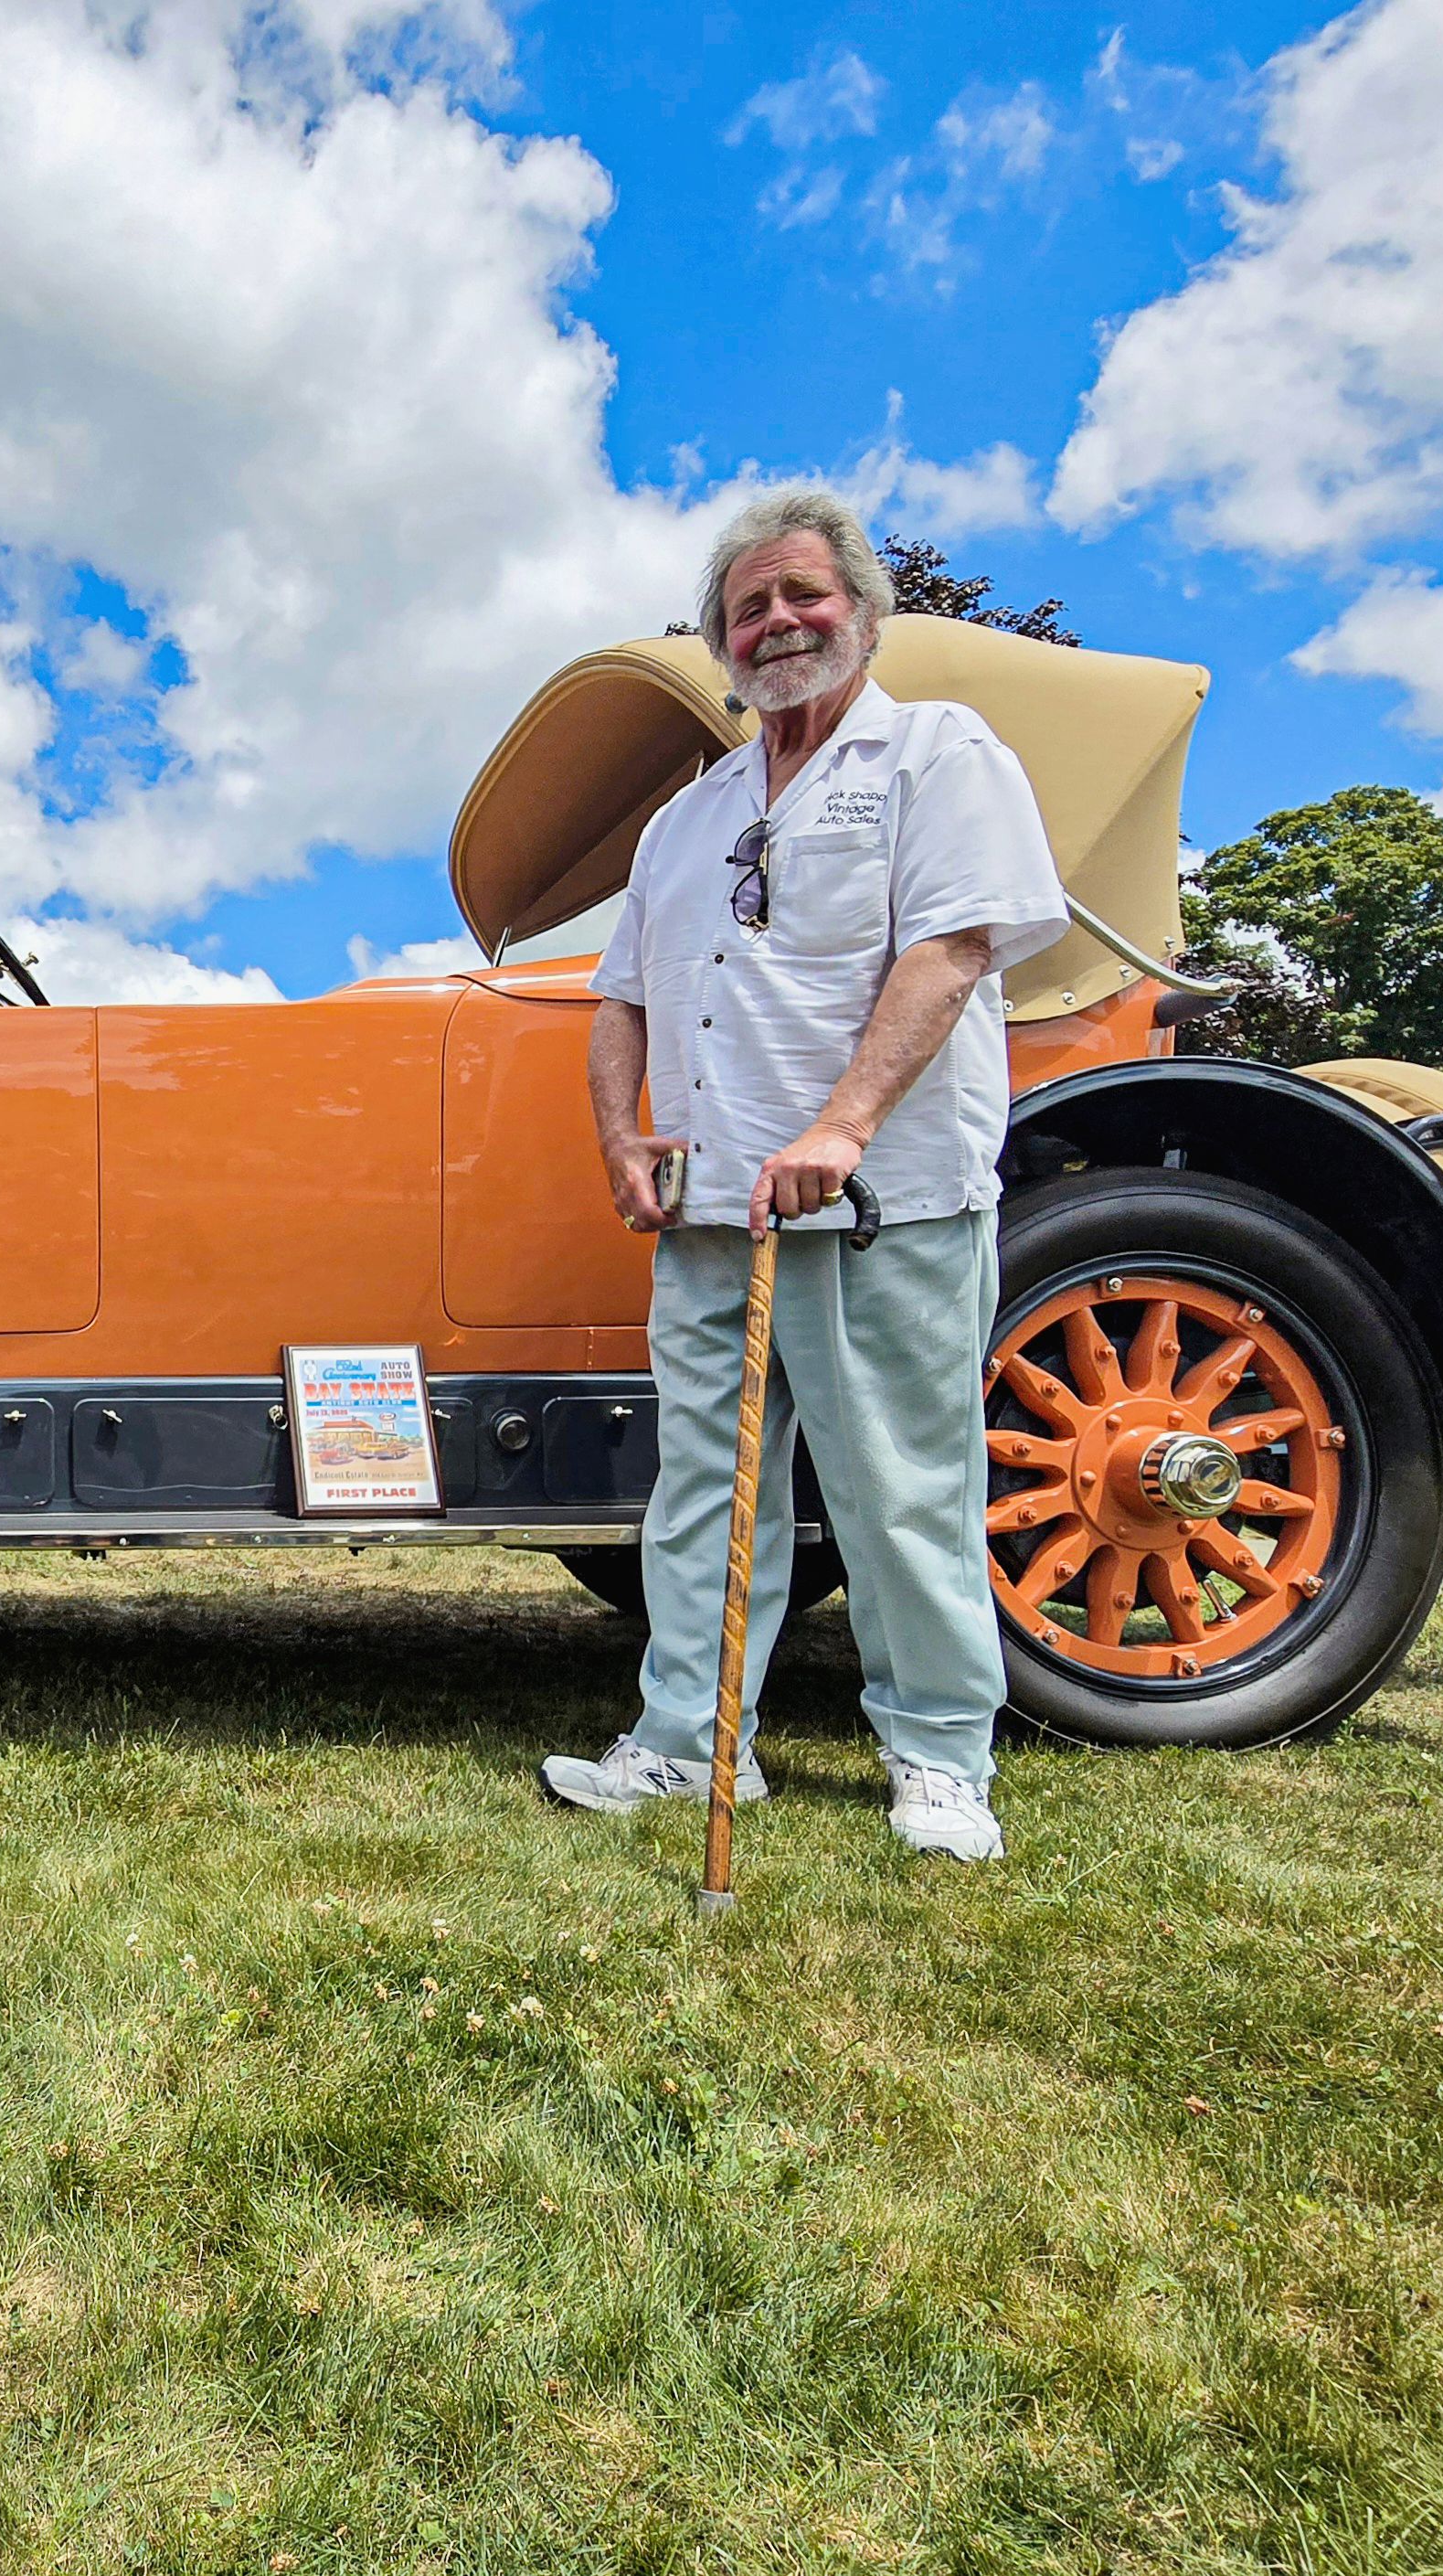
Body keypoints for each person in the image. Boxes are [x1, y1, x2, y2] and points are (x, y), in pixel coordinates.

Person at [538, 490, 1066, 1861]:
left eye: (801, 597)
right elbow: (619, 1000)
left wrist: (840, 1125)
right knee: (704, 1496)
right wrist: (620, 1140)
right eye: (747, 608)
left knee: (902, 1488)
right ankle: (685, 1744)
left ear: (862, 613)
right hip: (709, 1213)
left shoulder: (935, 756)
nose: (775, 623)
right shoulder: (687, 817)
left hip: (878, 1204)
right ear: (718, 641)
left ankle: (940, 1757)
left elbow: (949, 950)